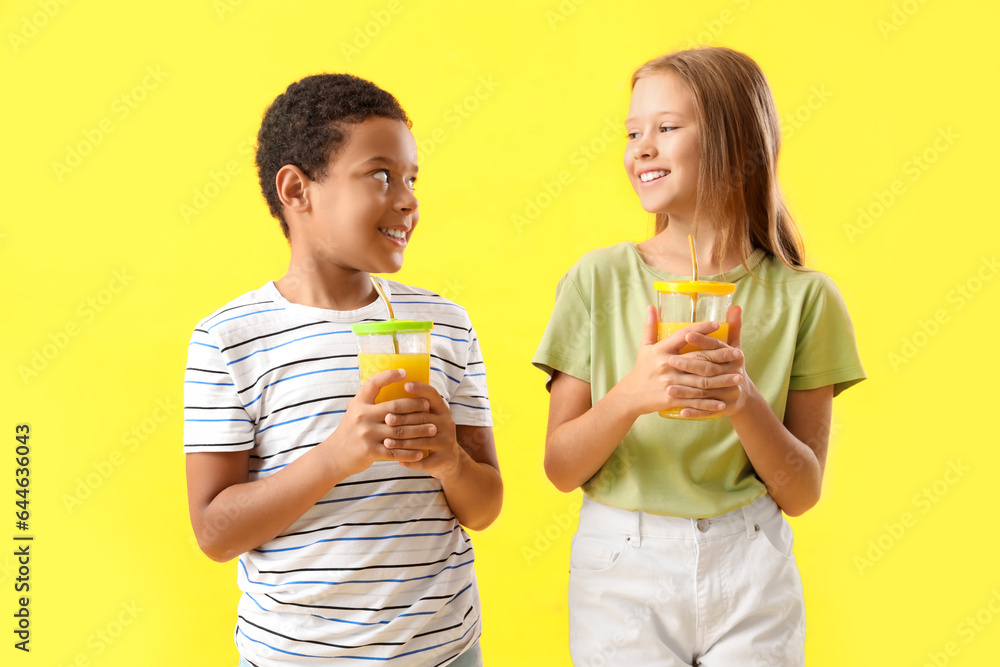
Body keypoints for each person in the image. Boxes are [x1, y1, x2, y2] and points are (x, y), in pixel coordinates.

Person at [533, 47, 865, 665]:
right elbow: (559, 467)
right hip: (621, 565)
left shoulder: (806, 299)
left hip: (751, 563)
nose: (641, 148)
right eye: (633, 132)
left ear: (737, 147)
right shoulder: (596, 281)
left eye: (666, 128)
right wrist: (634, 393)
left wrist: (742, 401)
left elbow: (802, 490)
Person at [184, 74, 501, 667]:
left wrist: (450, 461)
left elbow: (484, 507)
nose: (407, 198)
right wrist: (338, 455)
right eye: (380, 175)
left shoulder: (445, 324)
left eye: (411, 178)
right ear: (297, 190)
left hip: (446, 653)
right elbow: (215, 533)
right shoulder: (229, 338)